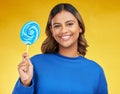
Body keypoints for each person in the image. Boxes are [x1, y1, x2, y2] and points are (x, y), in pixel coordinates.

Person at [12, 3, 108, 94]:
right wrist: (25, 83)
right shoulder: (34, 64)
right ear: (52, 30)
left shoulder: (96, 71)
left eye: (69, 24)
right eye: (57, 26)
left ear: (80, 27)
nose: (64, 30)